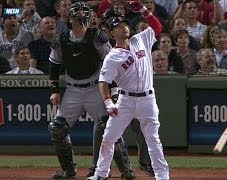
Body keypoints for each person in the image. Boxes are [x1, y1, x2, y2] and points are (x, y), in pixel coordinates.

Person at [48, 1, 135, 179]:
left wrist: (114, 90)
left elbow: (112, 63)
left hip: (95, 87)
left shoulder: (98, 36)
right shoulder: (61, 39)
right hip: (73, 89)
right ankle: (69, 170)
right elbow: (54, 64)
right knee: (57, 128)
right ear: (70, 18)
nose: (84, 16)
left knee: (108, 127)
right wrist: (55, 89)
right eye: (79, 13)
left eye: (85, 12)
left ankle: (127, 170)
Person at [88, 1, 169, 179]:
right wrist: (109, 102)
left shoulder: (140, 39)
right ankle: (100, 174)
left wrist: (143, 9)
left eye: (125, 24)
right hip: (125, 101)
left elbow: (157, 26)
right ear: (111, 33)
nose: (124, 27)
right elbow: (103, 82)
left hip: (148, 99)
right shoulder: (112, 57)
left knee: (153, 140)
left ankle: (162, 176)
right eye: (119, 26)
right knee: (108, 138)